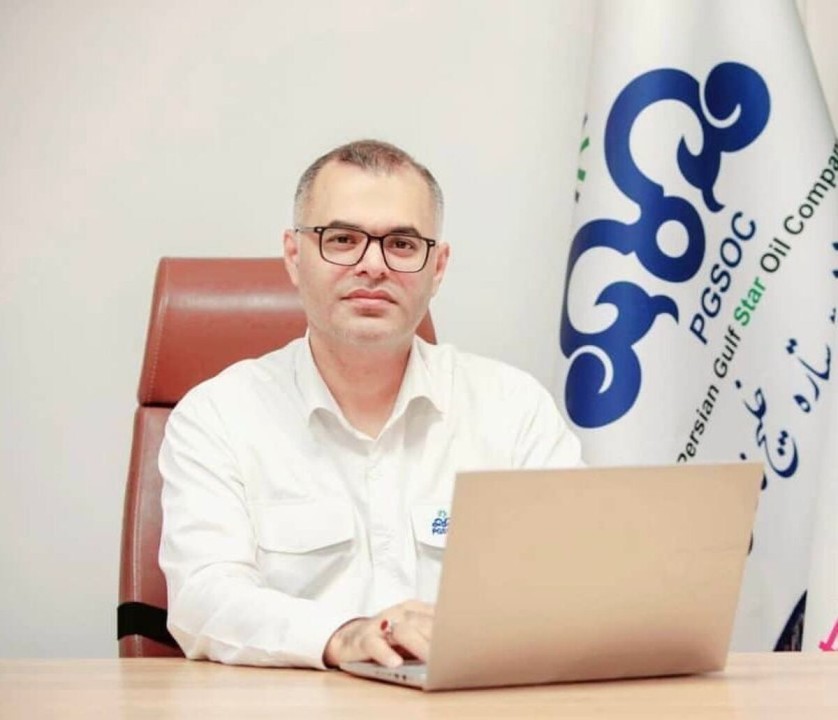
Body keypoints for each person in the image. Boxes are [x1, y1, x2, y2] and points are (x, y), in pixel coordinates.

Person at [159, 139, 582, 671]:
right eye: (342, 239)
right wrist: (342, 636)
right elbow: (203, 598)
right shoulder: (218, 416)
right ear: (294, 255)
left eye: (402, 244)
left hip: (465, 699)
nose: (373, 266)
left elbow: (576, 582)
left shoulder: (513, 409)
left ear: (438, 266)